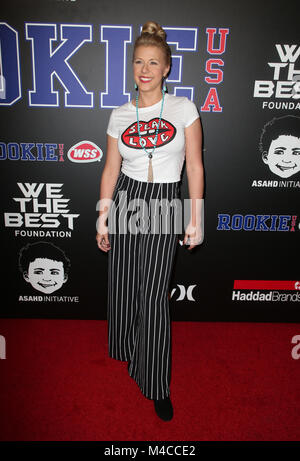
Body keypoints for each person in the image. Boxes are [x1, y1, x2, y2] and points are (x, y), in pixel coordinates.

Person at [96, 21, 204, 421]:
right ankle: (127, 350)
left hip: (163, 202)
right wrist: (103, 217)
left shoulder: (184, 109)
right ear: (132, 66)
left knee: (154, 293)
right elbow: (110, 168)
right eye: (138, 62)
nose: (145, 69)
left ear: (166, 68)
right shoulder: (120, 114)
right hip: (127, 198)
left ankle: (156, 381)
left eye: (153, 62)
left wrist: (196, 217)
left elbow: (194, 165)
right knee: (123, 282)